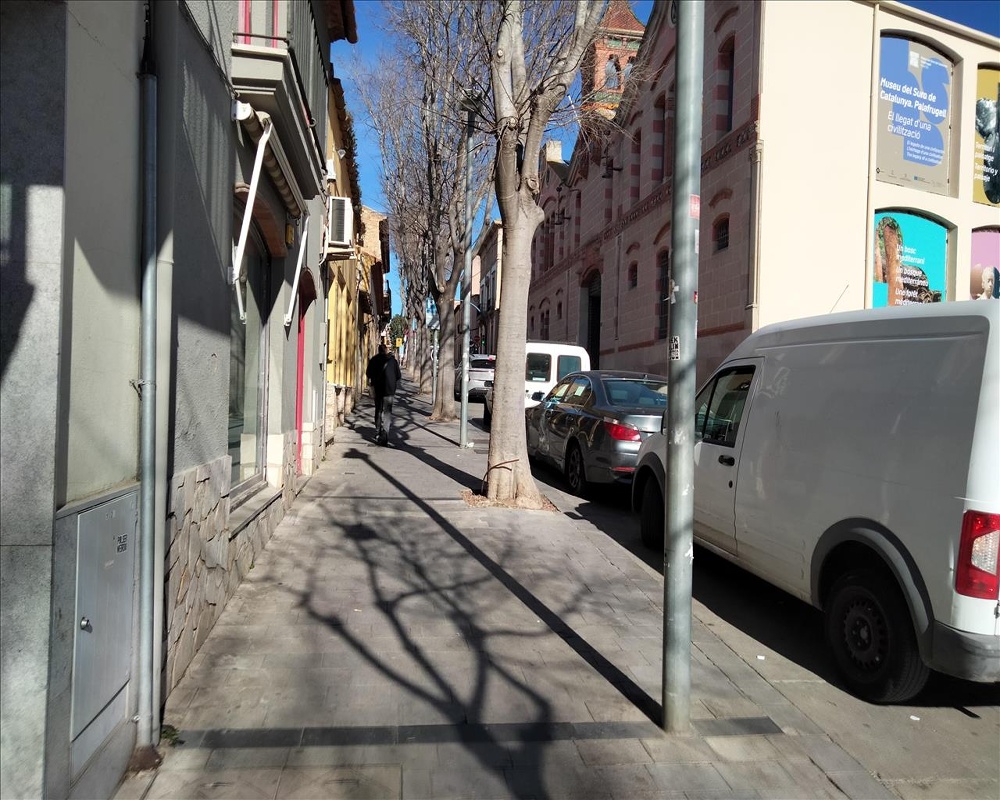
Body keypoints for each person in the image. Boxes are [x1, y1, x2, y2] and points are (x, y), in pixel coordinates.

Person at [366, 343, 401, 445]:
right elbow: (398, 376)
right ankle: (385, 433)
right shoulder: (393, 361)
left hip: (378, 390)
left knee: (378, 410)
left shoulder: (374, 360)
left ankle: (378, 431)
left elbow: (368, 373)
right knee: (387, 412)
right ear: (385, 350)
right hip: (389, 391)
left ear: (378, 350)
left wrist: (374, 379)